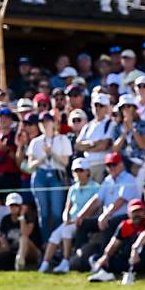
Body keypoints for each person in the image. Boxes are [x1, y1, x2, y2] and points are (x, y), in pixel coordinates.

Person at [39, 158, 100, 273]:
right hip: (70, 221)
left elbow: (93, 209)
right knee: (55, 235)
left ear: (87, 171)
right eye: (76, 171)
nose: (78, 173)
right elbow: (67, 207)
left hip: (83, 222)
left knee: (66, 231)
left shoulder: (95, 187)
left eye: (81, 170)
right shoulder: (73, 188)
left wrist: (74, 221)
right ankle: (45, 263)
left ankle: (66, 261)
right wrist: (66, 218)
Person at [87, 198, 145, 283]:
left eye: (140, 211)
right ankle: (104, 271)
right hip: (127, 260)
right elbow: (114, 243)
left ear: (144, 212)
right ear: (129, 213)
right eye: (134, 211)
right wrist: (106, 256)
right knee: (95, 258)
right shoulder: (124, 225)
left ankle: (105, 271)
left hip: (144, 260)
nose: (137, 214)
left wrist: (135, 248)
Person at [26, 113, 73, 242]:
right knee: (44, 213)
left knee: (57, 213)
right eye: (41, 122)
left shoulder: (62, 139)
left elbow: (65, 162)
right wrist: (43, 157)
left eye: (47, 121)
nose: (44, 124)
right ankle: (47, 243)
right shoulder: (35, 142)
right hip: (40, 175)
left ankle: (57, 243)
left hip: (56, 175)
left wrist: (51, 152)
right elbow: (30, 165)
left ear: (53, 123)